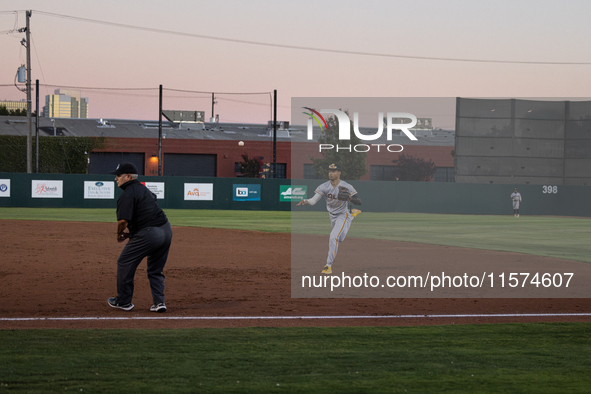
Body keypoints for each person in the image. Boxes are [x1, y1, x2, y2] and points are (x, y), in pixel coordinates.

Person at [107, 162, 173, 312]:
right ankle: (159, 303)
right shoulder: (143, 189)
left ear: (128, 176)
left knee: (124, 262)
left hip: (150, 234)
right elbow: (147, 210)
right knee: (155, 270)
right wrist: (132, 232)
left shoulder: (127, 194)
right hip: (166, 230)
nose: (115, 179)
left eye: (118, 176)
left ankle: (124, 301)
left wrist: (119, 234)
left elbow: (123, 221)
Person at [296, 163, 362, 274]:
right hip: (332, 215)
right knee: (339, 239)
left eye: (333, 171)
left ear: (339, 173)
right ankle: (352, 216)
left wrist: (350, 198)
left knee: (333, 237)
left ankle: (328, 265)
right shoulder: (324, 186)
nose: (330, 173)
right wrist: (307, 201)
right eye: (329, 171)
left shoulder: (347, 186)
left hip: (342, 214)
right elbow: (313, 201)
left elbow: (359, 201)